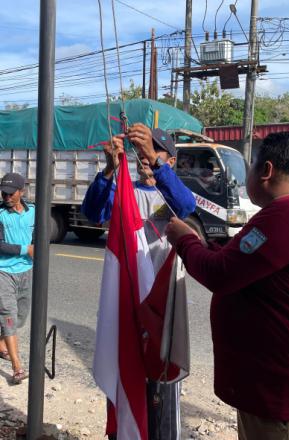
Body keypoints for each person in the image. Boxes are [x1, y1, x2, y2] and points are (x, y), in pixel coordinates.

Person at [165, 131, 289, 440]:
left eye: (251, 166)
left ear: (267, 171)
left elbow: (219, 275)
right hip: (281, 387)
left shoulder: (287, 215)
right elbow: (245, 264)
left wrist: (185, 240)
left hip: (285, 395)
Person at [81, 123, 195, 440]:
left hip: (163, 304)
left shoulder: (171, 191)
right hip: (129, 302)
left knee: (162, 385)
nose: (145, 156)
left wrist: (157, 166)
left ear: (169, 160)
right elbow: (92, 212)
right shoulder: (125, 192)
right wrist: (108, 170)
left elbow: (186, 206)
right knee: (125, 376)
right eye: (143, 150)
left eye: (155, 150)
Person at [0, 172, 34, 385]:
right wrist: (25, 249)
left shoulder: (34, 212)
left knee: (20, 317)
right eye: (4, 193)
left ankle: (2, 343)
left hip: (27, 272)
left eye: (11, 193)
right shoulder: (0, 214)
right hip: (4, 272)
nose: (7, 197)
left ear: (22, 192)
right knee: (9, 316)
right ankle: (17, 367)